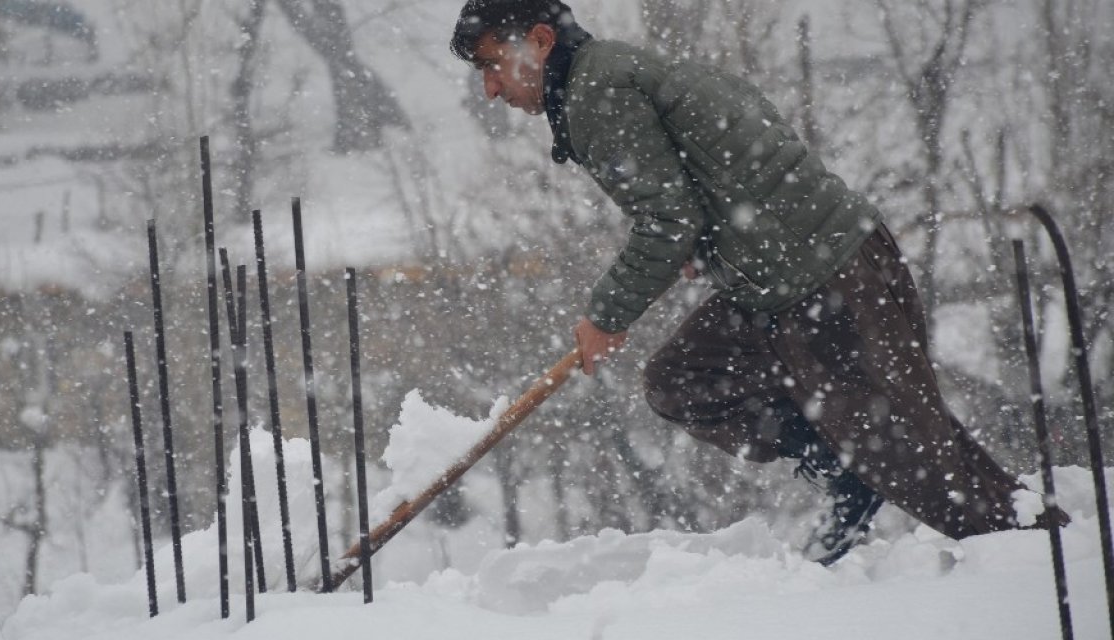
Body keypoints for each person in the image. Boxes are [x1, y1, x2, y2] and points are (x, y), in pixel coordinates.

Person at [449, 0, 1068, 564]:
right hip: (789, 281)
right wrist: (712, 240)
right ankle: (840, 461)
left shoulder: (597, 91)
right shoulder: (617, 72)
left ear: (538, 39)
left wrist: (607, 315)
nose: (491, 87)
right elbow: (726, 152)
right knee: (683, 378)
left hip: (829, 284)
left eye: (493, 65)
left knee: (925, 468)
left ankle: (1048, 559)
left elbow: (667, 218)